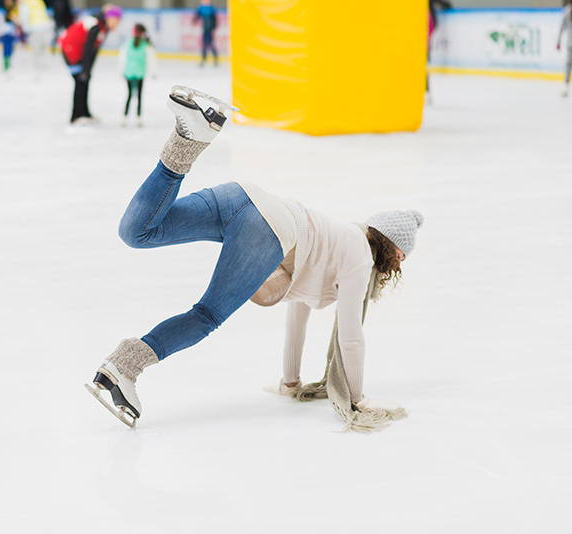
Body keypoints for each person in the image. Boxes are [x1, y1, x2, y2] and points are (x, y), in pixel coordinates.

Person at [85, 86, 424, 430]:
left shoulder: (338, 239)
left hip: (241, 195)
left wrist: (290, 382)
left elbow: (298, 314)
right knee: (206, 315)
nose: (399, 263)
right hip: (267, 227)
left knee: (138, 232)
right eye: (401, 255)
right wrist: (357, 398)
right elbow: (351, 335)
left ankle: (189, 139)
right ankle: (125, 367)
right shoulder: (360, 259)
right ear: (392, 248)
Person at [58, 4, 121, 124]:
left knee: (84, 81)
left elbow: (94, 50)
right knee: (80, 81)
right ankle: (76, 116)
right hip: (70, 50)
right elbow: (88, 49)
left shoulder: (103, 27)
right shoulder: (96, 25)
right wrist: (85, 70)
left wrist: (88, 70)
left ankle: (84, 113)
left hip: (77, 52)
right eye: (115, 20)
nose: (116, 23)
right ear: (109, 18)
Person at [117, 23, 157, 127]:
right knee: (139, 95)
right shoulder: (146, 44)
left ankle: (125, 117)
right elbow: (151, 59)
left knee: (129, 95)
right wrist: (153, 72)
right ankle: (138, 117)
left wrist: (121, 71)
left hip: (129, 72)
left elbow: (122, 58)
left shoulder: (127, 43)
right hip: (140, 73)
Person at [19, 0, 53, 74]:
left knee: (36, 51)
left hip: (34, 28)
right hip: (45, 26)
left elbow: (24, 18)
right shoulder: (39, 1)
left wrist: (26, 31)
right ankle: (44, 64)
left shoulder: (25, 4)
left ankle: (37, 70)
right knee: (44, 48)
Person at [193, 0, 217, 67]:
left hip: (210, 29)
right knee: (204, 44)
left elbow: (214, 19)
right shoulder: (201, 8)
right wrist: (194, 21)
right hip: (205, 29)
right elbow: (197, 16)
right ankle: (204, 58)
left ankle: (215, 58)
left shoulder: (211, 8)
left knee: (211, 44)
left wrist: (214, 27)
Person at [557, 1, 572, 97]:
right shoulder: (567, 12)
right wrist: (558, 41)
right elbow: (562, 27)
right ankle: (566, 87)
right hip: (570, 45)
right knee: (568, 65)